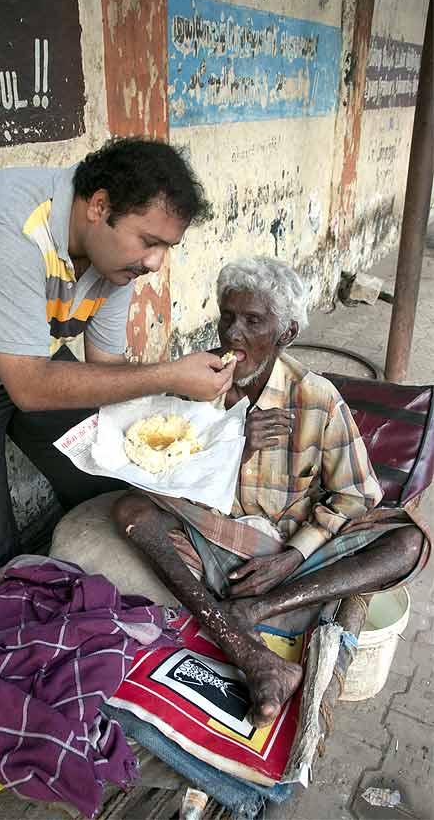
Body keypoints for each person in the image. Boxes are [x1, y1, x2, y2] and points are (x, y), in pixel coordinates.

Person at [0, 137, 235, 598]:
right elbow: (32, 388)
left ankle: (98, 599)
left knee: (101, 481)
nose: (155, 263)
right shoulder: (5, 230)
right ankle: (14, 641)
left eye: (166, 247)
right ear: (99, 206)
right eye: (149, 242)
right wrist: (168, 375)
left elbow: (107, 368)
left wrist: (175, 404)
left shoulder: (117, 259)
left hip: (25, 358)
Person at [109, 257, 431, 728]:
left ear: (286, 334)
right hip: (216, 543)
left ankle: (254, 611)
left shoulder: (314, 396)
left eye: (253, 321)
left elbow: (356, 495)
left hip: (287, 555)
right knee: (131, 508)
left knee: (411, 541)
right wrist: (232, 446)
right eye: (227, 316)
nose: (233, 334)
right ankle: (250, 652)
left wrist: (295, 555)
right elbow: (170, 474)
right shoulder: (198, 385)